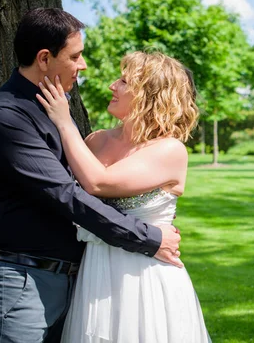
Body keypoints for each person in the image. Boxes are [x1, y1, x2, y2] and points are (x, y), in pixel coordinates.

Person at [0, 8, 182, 343]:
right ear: (44, 58)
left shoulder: (54, 107)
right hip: (21, 279)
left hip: (77, 281)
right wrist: (150, 238)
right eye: (75, 56)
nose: (83, 66)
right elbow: (66, 194)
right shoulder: (6, 115)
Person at [36, 51, 211, 342]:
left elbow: (97, 183)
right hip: (92, 274)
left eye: (124, 81)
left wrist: (64, 122)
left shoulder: (169, 150)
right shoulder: (96, 140)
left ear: (149, 95)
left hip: (144, 279)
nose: (112, 86)